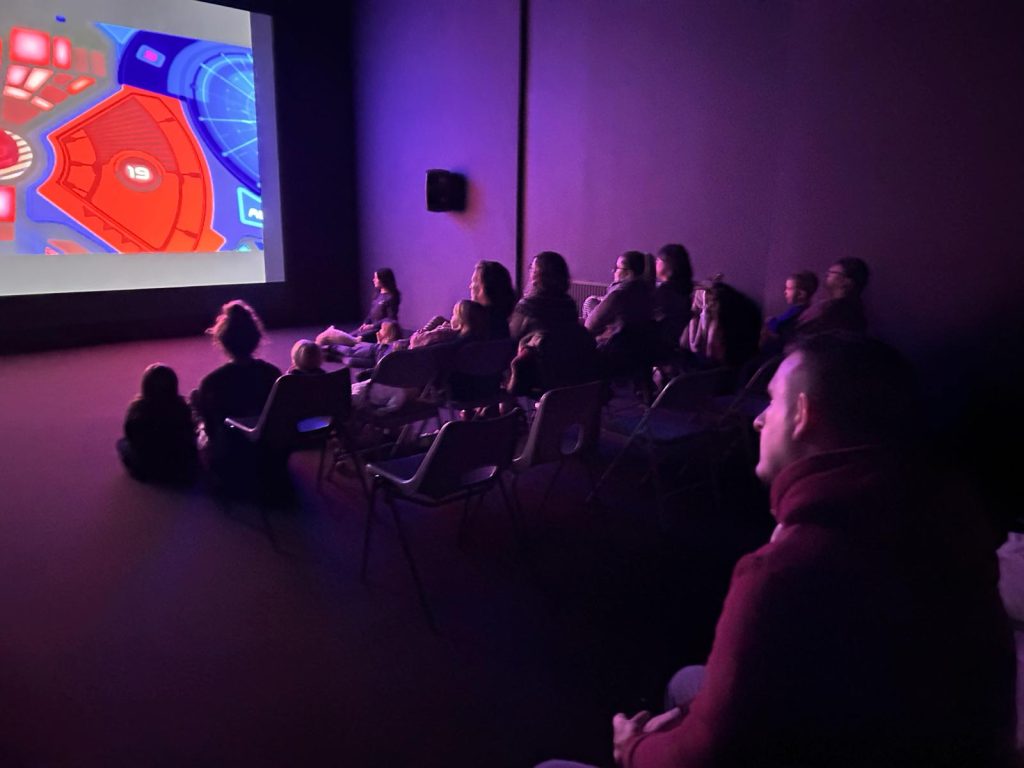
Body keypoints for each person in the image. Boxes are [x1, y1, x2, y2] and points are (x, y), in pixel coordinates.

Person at [541, 333, 1016, 768]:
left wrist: (636, 748)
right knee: (687, 682)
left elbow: (706, 755)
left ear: (803, 415)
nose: (758, 418)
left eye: (771, 402)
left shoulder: (785, 571)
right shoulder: (954, 514)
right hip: (934, 739)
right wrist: (695, 715)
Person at [193, 300, 282, 453]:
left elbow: (210, 431)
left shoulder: (211, 383)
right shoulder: (273, 375)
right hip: (269, 453)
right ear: (255, 338)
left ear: (223, 341)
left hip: (230, 456)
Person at [507, 251, 596, 395]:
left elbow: (511, 335)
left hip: (540, 374)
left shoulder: (529, 306)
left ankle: (502, 409)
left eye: (532, 269)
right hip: (571, 371)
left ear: (537, 275)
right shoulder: (568, 304)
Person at [117, 363, 197, 485]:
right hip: (181, 468)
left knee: (122, 444)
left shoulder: (137, 410)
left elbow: (130, 435)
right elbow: (190, 433)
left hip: (150, 468)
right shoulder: (182, 408)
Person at [585, 251, 656, 374]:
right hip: (643, 354)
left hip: (615, 355)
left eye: (617, 268)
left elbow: (590, 325)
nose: (614, 271)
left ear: (628, 273)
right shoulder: (649, 291)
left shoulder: (618, 294)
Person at [316, 267, 401, 346]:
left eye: (376, 278)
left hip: (378, 331)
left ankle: (329, 337)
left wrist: (373, 326)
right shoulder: (377, 295)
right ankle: (328, 337)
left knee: (354, 341)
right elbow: (371, 314)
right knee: (349, 336)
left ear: (383, 280)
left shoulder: (391, 297)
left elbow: (390, 319)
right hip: (369, 328)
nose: (373, 280)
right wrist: (365, 323)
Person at [794, 257, 868, 338]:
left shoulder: (829, 310)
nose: (827, 274)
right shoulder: (857, 311)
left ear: (847, 282)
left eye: (832, 272)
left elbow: (799, 332)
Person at [760, 270, 818, 354]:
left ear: (801, 294)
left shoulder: (800, 314)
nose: (785, 292)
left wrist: (769, 331)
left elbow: (783, 336)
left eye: (789, 289)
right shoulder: (794, 310)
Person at [652, 244, 694, 354]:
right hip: (673, 345)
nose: (655, 264)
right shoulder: (685, 289)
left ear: (668, 264)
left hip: (656, 345)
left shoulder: (664, 291)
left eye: (658, 260)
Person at [470, 260, 516, 339]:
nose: (470, 286)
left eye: (474, 281)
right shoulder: (505, 323)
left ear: (486, 288)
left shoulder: (479, 325)